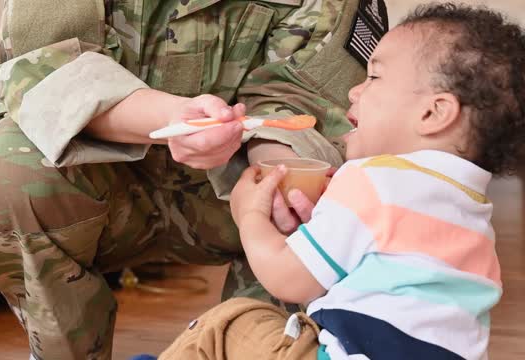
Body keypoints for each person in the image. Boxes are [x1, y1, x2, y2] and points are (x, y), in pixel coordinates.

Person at [0, 0, 385, 359]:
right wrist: (172, 119)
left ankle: (261, 346)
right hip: (94, 184)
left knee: (312, 185)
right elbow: (47, 64)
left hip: (232, 191)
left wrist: (277, 174)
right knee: (11, 170)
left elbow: (305, 98)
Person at [157, 3, 525, 359]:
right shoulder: (474, 218)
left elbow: (291, 279)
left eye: (374, 78)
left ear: (432, 113)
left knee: (232, 324)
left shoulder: (373, 179)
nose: (353, 91)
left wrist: (249, 214)